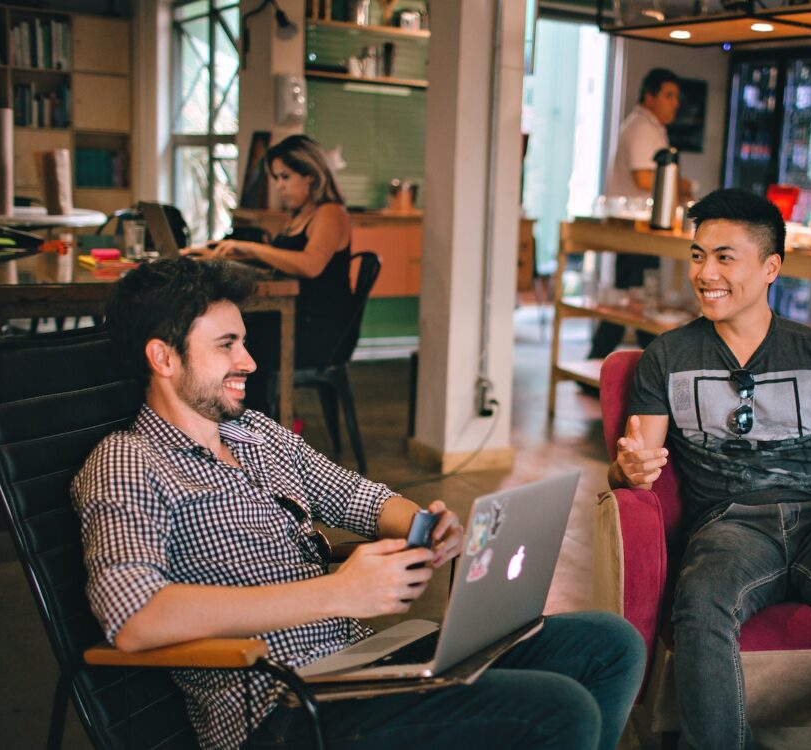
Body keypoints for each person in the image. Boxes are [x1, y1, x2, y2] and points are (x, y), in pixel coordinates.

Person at [72, 258, 645, 750]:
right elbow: (135, 619)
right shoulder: (128, 462)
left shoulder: (256, 434)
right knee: (558, 709)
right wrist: (339, 591)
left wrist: (424, 524)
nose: (248, 361)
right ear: (163, 357)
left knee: (608, 644)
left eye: (243, 342)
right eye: (227, 346)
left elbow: (353, 496)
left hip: (357, 663)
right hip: (281, 708)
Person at [609, 189, 811, 750]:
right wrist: (629, 469)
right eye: (698, 255)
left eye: (724, 257)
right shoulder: (668, 355)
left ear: (771, 267)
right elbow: (637, 468)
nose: (705, 273)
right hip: (727, 525)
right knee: (702, 603)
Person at [183, 135, 354, 412]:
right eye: (277, 178)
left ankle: (249, 424)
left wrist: (249, 247)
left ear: (310, 174)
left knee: (236, 342)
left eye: (285, 177)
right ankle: (229, 419)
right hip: (296, 317)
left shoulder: (330, 213)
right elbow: (283, 262)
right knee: (227, 335)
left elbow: (310, 265)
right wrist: (228, 253)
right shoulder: (299, 215)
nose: (279, 186)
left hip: (318, 330)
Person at [587, 67, 693, 364]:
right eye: (669, 95)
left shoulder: (649, 127)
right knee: (634, 298)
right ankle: (613, 362)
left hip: (642, 229)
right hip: (636, 229)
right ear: (650, 97)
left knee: (635, 297)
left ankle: (631, 362)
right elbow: (645, 179)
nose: (675, 103)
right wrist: (683, 184)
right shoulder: (642, 127)